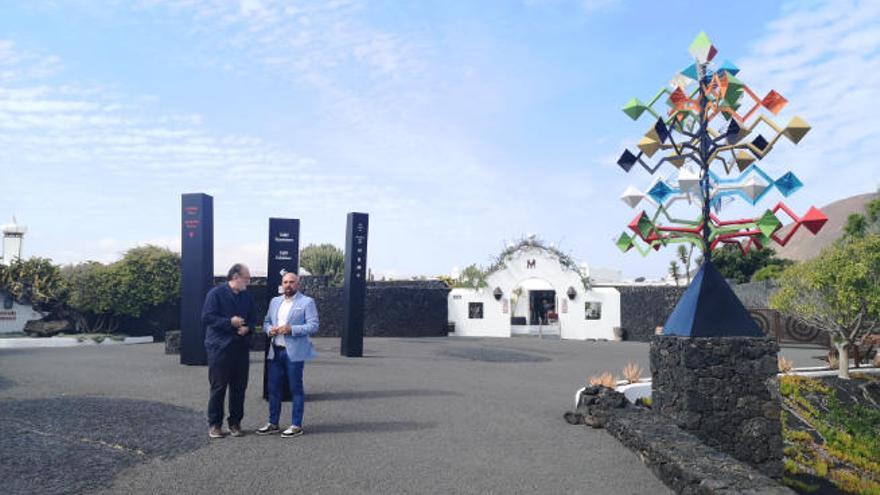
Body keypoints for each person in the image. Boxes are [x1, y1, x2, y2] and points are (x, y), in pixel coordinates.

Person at [256, 272, 319, 438]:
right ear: (282, 284)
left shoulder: (307, 302)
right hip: (275, 350)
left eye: (292, 282)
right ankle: (273, 423)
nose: (288, 285)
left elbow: (313, 326)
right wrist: (269, 330)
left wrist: (292, 329)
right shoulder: (275, 301)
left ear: (298, 284)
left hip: (294, 353)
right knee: (273, 389)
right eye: (285, 282)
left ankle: (296, 425)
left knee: (295, 388)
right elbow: (266, 322)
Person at [201, 263, 256, 439]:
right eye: (246, 278)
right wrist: (229, 322)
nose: (248, 281)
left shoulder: (247, 296)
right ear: (235, 277)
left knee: (239, 388)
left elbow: (254, 319)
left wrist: (248, 329)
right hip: (220, 348)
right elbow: (207, 317)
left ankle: (235, 423)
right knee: (218, 387)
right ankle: (215, 424)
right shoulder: (215, 294)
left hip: (240, 348)